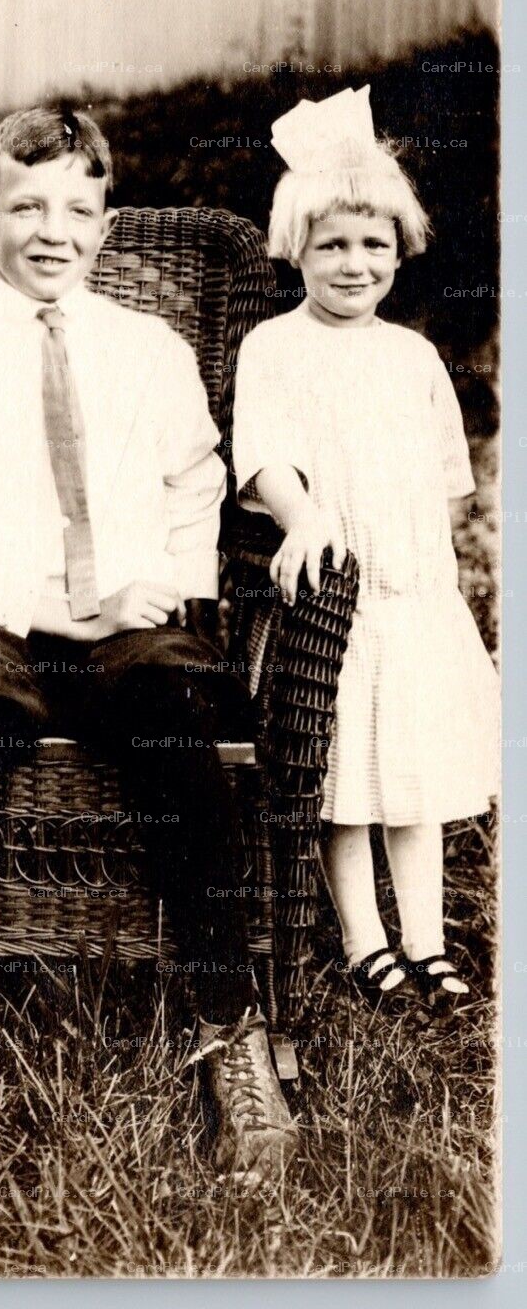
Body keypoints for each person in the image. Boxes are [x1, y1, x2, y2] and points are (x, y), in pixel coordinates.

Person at [0, 107, 296, 1181]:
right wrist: (47, 603)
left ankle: (229, 1028)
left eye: (78, 210)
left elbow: (197, 492)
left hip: (126, 623)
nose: (54, 231)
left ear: (107, 225)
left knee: (179, 714)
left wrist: (162, 590)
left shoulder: (151, 352)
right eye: (27, 206)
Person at [232, 85, 498, 1014]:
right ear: (294, 247)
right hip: (332, 599)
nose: (353, 264)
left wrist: (444, 584)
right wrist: (302, 516)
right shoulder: (274, 347)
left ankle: (425, 941)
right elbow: (262, 454)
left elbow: (439, 481)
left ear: (401, 251)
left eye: (372, 244)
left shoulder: (413, 357)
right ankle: (363, 941)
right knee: (346, 778)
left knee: (411, 776)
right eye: (331, 243)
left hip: (410, 594)